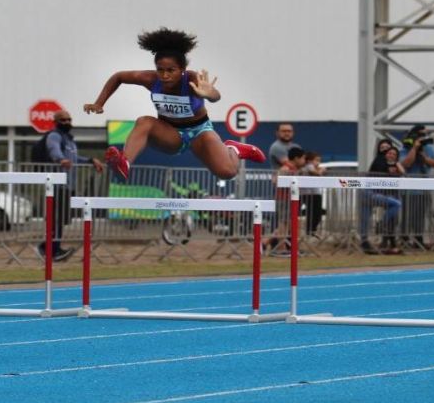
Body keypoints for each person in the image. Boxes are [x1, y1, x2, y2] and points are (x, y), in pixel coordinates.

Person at [84, 28, 267, 180]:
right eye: (160, 70)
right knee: (144, 121)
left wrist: (209, 93)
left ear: (182, 70)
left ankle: (234, 148)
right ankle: (124, 162)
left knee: (227, 172)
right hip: (170, 133)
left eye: (171, 70)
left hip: (199, 132)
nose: (164, 76)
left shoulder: (193, 79)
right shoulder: (150, 79)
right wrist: (99, 103)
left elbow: (215, 96)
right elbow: (119, 76)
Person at [39, 109, 106, 262]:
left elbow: (75, 158)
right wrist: (60, 159)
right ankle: (50, 250)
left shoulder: (69, 140)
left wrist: (90, 160)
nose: (67, 122)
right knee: (56, 219)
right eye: (63, 120)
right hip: (56, 186)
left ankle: (52, 247)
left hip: (68, 186)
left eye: (69, 119)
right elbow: (53, 149)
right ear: (56, 122)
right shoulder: (54, 135)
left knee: (61, 220)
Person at [399, 125, 434, 249]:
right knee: (407, 217)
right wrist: (414, 149)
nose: (423, 138)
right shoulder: (405, 149)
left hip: (423, 189)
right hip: (408, 190)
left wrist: (424, 157)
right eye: (420, 135)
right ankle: (405, 240)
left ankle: (418, 239)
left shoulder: (429, 148)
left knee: (420, 217)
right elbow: (406, 164)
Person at [359, 140, 403, 255]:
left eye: (387, 148)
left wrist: (396, 163)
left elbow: (401, 173)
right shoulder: (379, 159)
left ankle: (379, 232)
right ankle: (367, 240)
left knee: (395, 205)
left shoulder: (390, 162)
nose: (384, 150)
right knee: (365, 220)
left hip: (375, 193)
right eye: (382, 147)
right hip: (369, 192)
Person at [300, 150, 325, 236]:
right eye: (317, 160)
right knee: (315, 213)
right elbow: (315, 173)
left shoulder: (308, 167)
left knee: (314, 213)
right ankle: (311, 230)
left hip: (312, 193)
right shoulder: (309, 166)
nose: (318, 162)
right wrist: (321, 171)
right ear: (310, 161)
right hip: (311, 194)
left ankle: (311, 229)